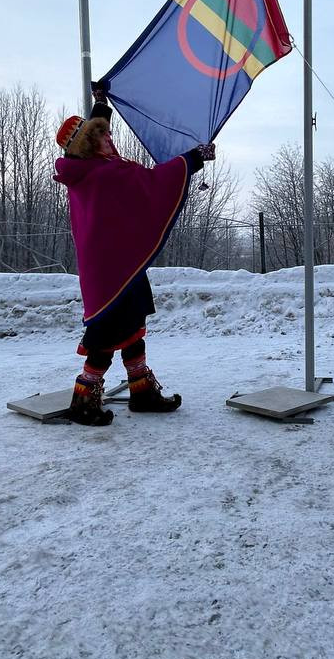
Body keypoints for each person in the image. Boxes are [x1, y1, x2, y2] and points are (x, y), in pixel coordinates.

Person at [53, 83, 216, 426]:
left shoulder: (85, 168)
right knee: (106, 333)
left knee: (132, 325)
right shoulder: (105, 174)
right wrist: (193, 159)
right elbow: (153, 183)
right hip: (113, 270)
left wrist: (102, 104)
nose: (107, 139)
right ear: (89, 146)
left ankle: (141, 390)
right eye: (100, 137)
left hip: (120, 263)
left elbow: (96, 129)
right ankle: (84, 399)